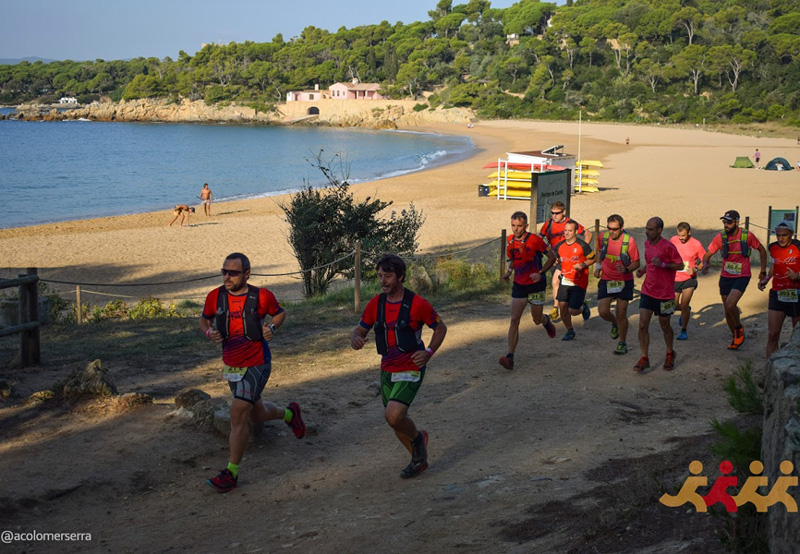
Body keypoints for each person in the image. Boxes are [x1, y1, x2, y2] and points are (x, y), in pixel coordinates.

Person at [199, 252, 305, 493]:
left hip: (257, 363)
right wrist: (208, 333)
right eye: (224, 271)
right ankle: (290, 414)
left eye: (233, 272)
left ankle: (231, 473)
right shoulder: (215, 296)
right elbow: (204, 320)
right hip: (232, 365)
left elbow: (280, 313)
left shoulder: (262, 296)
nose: (227, 276)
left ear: (247, 274)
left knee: (237, 413)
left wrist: (272, 328)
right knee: (255, 414)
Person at [351, 254, 447, 479]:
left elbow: (440, 328)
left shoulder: (418, 304)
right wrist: (355, 339)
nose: (382, 281)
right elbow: (360, 330)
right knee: (395, 421)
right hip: (388, 368)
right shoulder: (375, 304)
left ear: (401, 277)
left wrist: (429, 352)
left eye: (388, 276)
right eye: (380, 276)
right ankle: (418, 457)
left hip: (412, 366)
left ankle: (417, 445)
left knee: (393, 416)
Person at [701, 210, 767, 350]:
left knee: (730, 305)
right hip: (725, 276)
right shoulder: (721, 237)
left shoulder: (746, 235)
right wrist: (705, 264)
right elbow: (707, 255)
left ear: (737, 222)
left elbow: (762, 250)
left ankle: (738, 328)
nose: (726, 224)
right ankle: (736, 336)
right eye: (724, 221)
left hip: (742, 275)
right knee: (727, 309)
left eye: (729, 222)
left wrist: (762, 272)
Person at [499, 211, 557, 370]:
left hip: (536, 284)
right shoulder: (510, 240)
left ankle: (545, 320)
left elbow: (552, 258)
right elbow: (514, 261)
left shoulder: (535, 240)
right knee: (514, 319)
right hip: (519, 284)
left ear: (525, 226)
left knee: (536, 320)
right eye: (513, 225)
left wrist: (541, 273)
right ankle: (510, 357)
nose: (515, 229)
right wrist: (509, 273)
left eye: (519, 226)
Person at [634, 217, 683, 372]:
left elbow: (680, 264)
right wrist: (643, 269)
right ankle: (644, 357)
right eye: (646, 228)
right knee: (642, 324)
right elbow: (649, 262)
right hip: (648, 290)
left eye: (650, 229)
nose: (647, 232)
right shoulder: (647, 244)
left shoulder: (668, 247)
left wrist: (663, 265)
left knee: (665, 325)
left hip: (665, 294)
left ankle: (670, 352)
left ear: (659, 230)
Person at [594, 214, 640, 355]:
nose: (611, 232)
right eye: (609, 228)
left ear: (622, 228)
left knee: (621, 313)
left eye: (615, 229)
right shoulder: (603, 237)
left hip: (624, 281)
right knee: (603, 311)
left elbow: (637, 263)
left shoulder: (629, 241)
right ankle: (614, 323)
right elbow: (598, 251)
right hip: (607, 280)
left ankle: (622, 342)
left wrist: (626, 269)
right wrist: (597, 267)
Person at [540, 201, 592, 322]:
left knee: (556, 281)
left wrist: (580, 251)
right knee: (557, 283)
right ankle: (557, 308)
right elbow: (539, 239)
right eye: (552, 213)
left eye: (557, 213)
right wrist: (549, 254)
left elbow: (588, 234)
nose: (554, 216)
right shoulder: (548, 224)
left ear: (563, 212)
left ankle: (557, 308)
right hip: (557, 257)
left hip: (569, 258)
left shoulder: (570, 224)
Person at [758, 221, 800, 357]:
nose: (781, 238)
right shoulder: (773, 248)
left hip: (796, 294)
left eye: (784, 235)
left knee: (797, 336)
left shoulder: (798, 247)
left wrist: (798, 275)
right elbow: (775, 265)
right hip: (778, 293)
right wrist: (765, 280)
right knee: (773, 334)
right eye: (778, 235)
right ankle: (769, 370)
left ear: (792, 235)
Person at [553, 220, 594, 340]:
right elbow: (556, 258)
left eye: (570, 231)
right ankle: (570, 330)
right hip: (565, 280)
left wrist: (582, 264)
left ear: (576, 232)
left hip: (579, 281)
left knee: (573, 310)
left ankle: (583, 307)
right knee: (563, 306)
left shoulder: (582, 246)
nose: (567, 233)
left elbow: (593, 258)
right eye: (565, 230)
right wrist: (555, 261)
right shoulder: (559, 246)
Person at [670, 222, 706, 341]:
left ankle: (683, 330)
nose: (681, 238)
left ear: (689, 233)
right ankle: (686, 310)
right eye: (679, 235)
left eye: (683, 236)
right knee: (674, 305)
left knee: (684, 304)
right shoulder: (673, 240)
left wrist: (695, 268)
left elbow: (704, 262)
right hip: (675, 278)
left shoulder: (696, 244)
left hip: (689, 279)